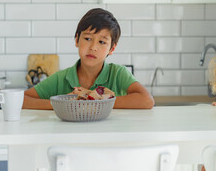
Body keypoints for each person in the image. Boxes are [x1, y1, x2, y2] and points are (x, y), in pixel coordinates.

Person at [23, 8, 155, 110]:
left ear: (112, 49)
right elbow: (22, 100)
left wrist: (96, 102)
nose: (93, 47)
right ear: (76, 40)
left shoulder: (118, 74)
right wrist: (62, 104)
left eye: (102, 42)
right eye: (87, 39)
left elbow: (147, 100)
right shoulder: (61, 78)